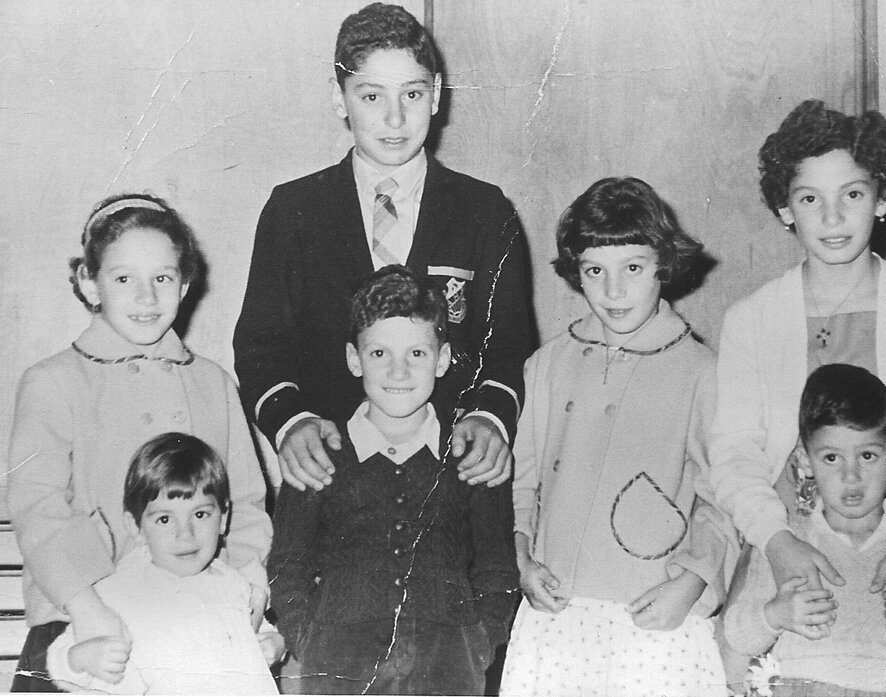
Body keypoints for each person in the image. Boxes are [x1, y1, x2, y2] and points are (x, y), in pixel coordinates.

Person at [708, 99, 886, 688]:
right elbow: (733, 457)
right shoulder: (751, 320)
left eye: (853, 195)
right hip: (786, 551)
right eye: (810, 198)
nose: (833, 217)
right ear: (785, 208)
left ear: (882, 199)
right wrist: (778, 544)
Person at [233, 2, 534, 494]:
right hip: (328, 473)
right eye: (371, 96)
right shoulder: (292, 210)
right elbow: (261, 344)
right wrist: (290, 422)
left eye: (411, 94)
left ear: (435, 95)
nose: (395, 118)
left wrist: (490, 417)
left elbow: (509, 346)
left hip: (451, 472)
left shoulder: (486, 211)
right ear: (339, 97)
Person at [7, 194, 271, 692]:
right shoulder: (53, 380)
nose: (146, 298)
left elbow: (248, 500)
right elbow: (37, 507)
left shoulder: (212, 382)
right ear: (90, 282)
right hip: (83, 619)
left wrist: (250, 580)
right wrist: (86, 608)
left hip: (190, 612)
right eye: (124, 279)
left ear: (185, 283)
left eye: (163, 278)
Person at [499, 177, 739, 697]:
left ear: (663, 267)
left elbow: (723, 498)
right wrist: (521, 560)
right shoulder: (547, 365)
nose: (613, 291)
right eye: (594, 271)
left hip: (653, 612)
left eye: (632, 268)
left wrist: (693, 580)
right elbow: (522, 485)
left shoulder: (702, 371)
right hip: (557, 614)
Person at [267, 265, 519, 695]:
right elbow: (289, 563)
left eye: (416, 354)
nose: (398, 373)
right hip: (339, 667)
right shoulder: (319, 454)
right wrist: (306, 638)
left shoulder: (470, 456)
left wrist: (479, 644)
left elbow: (497, 568)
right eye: (379, 353)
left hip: (449, 669)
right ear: (354, 358)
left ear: (441, 360)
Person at [725, 364, 886, 696]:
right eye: (831, 458)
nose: (851, 476)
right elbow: (738, 633)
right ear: (804, 460)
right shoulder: (787, 544)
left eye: (868, 455)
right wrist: (776, 614)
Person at [46, 433, 283, 694]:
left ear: (223, 519)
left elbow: (259, 630)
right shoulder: (121, 590)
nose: (186, 534)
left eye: (200, 514)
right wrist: (82, 658)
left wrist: (275, 644)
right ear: (135, 527)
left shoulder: (233, 582)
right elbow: (61, 659)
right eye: (165, 520)